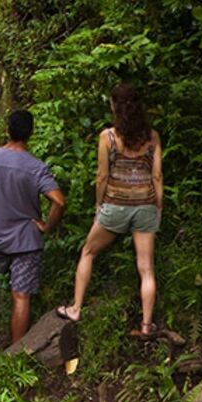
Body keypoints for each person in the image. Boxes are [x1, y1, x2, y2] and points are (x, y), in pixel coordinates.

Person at [55, 84, 164, 336]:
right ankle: (146, 325)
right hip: (145, 205)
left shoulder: (108, 137)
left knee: (88, 252)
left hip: (115, 205)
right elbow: (157, 176)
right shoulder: (152, 137)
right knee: (146, 268)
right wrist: (158, 206)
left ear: (114, 106)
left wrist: (98, 204)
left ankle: (76, 308)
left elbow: (102, 175)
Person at [0, 109, 67, 346]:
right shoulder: (34, 166)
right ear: (31, 132)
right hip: (26, 240)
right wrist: (47, 227)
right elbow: (59, 201)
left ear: (8, 130)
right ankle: (15, 353)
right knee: (21, 296)